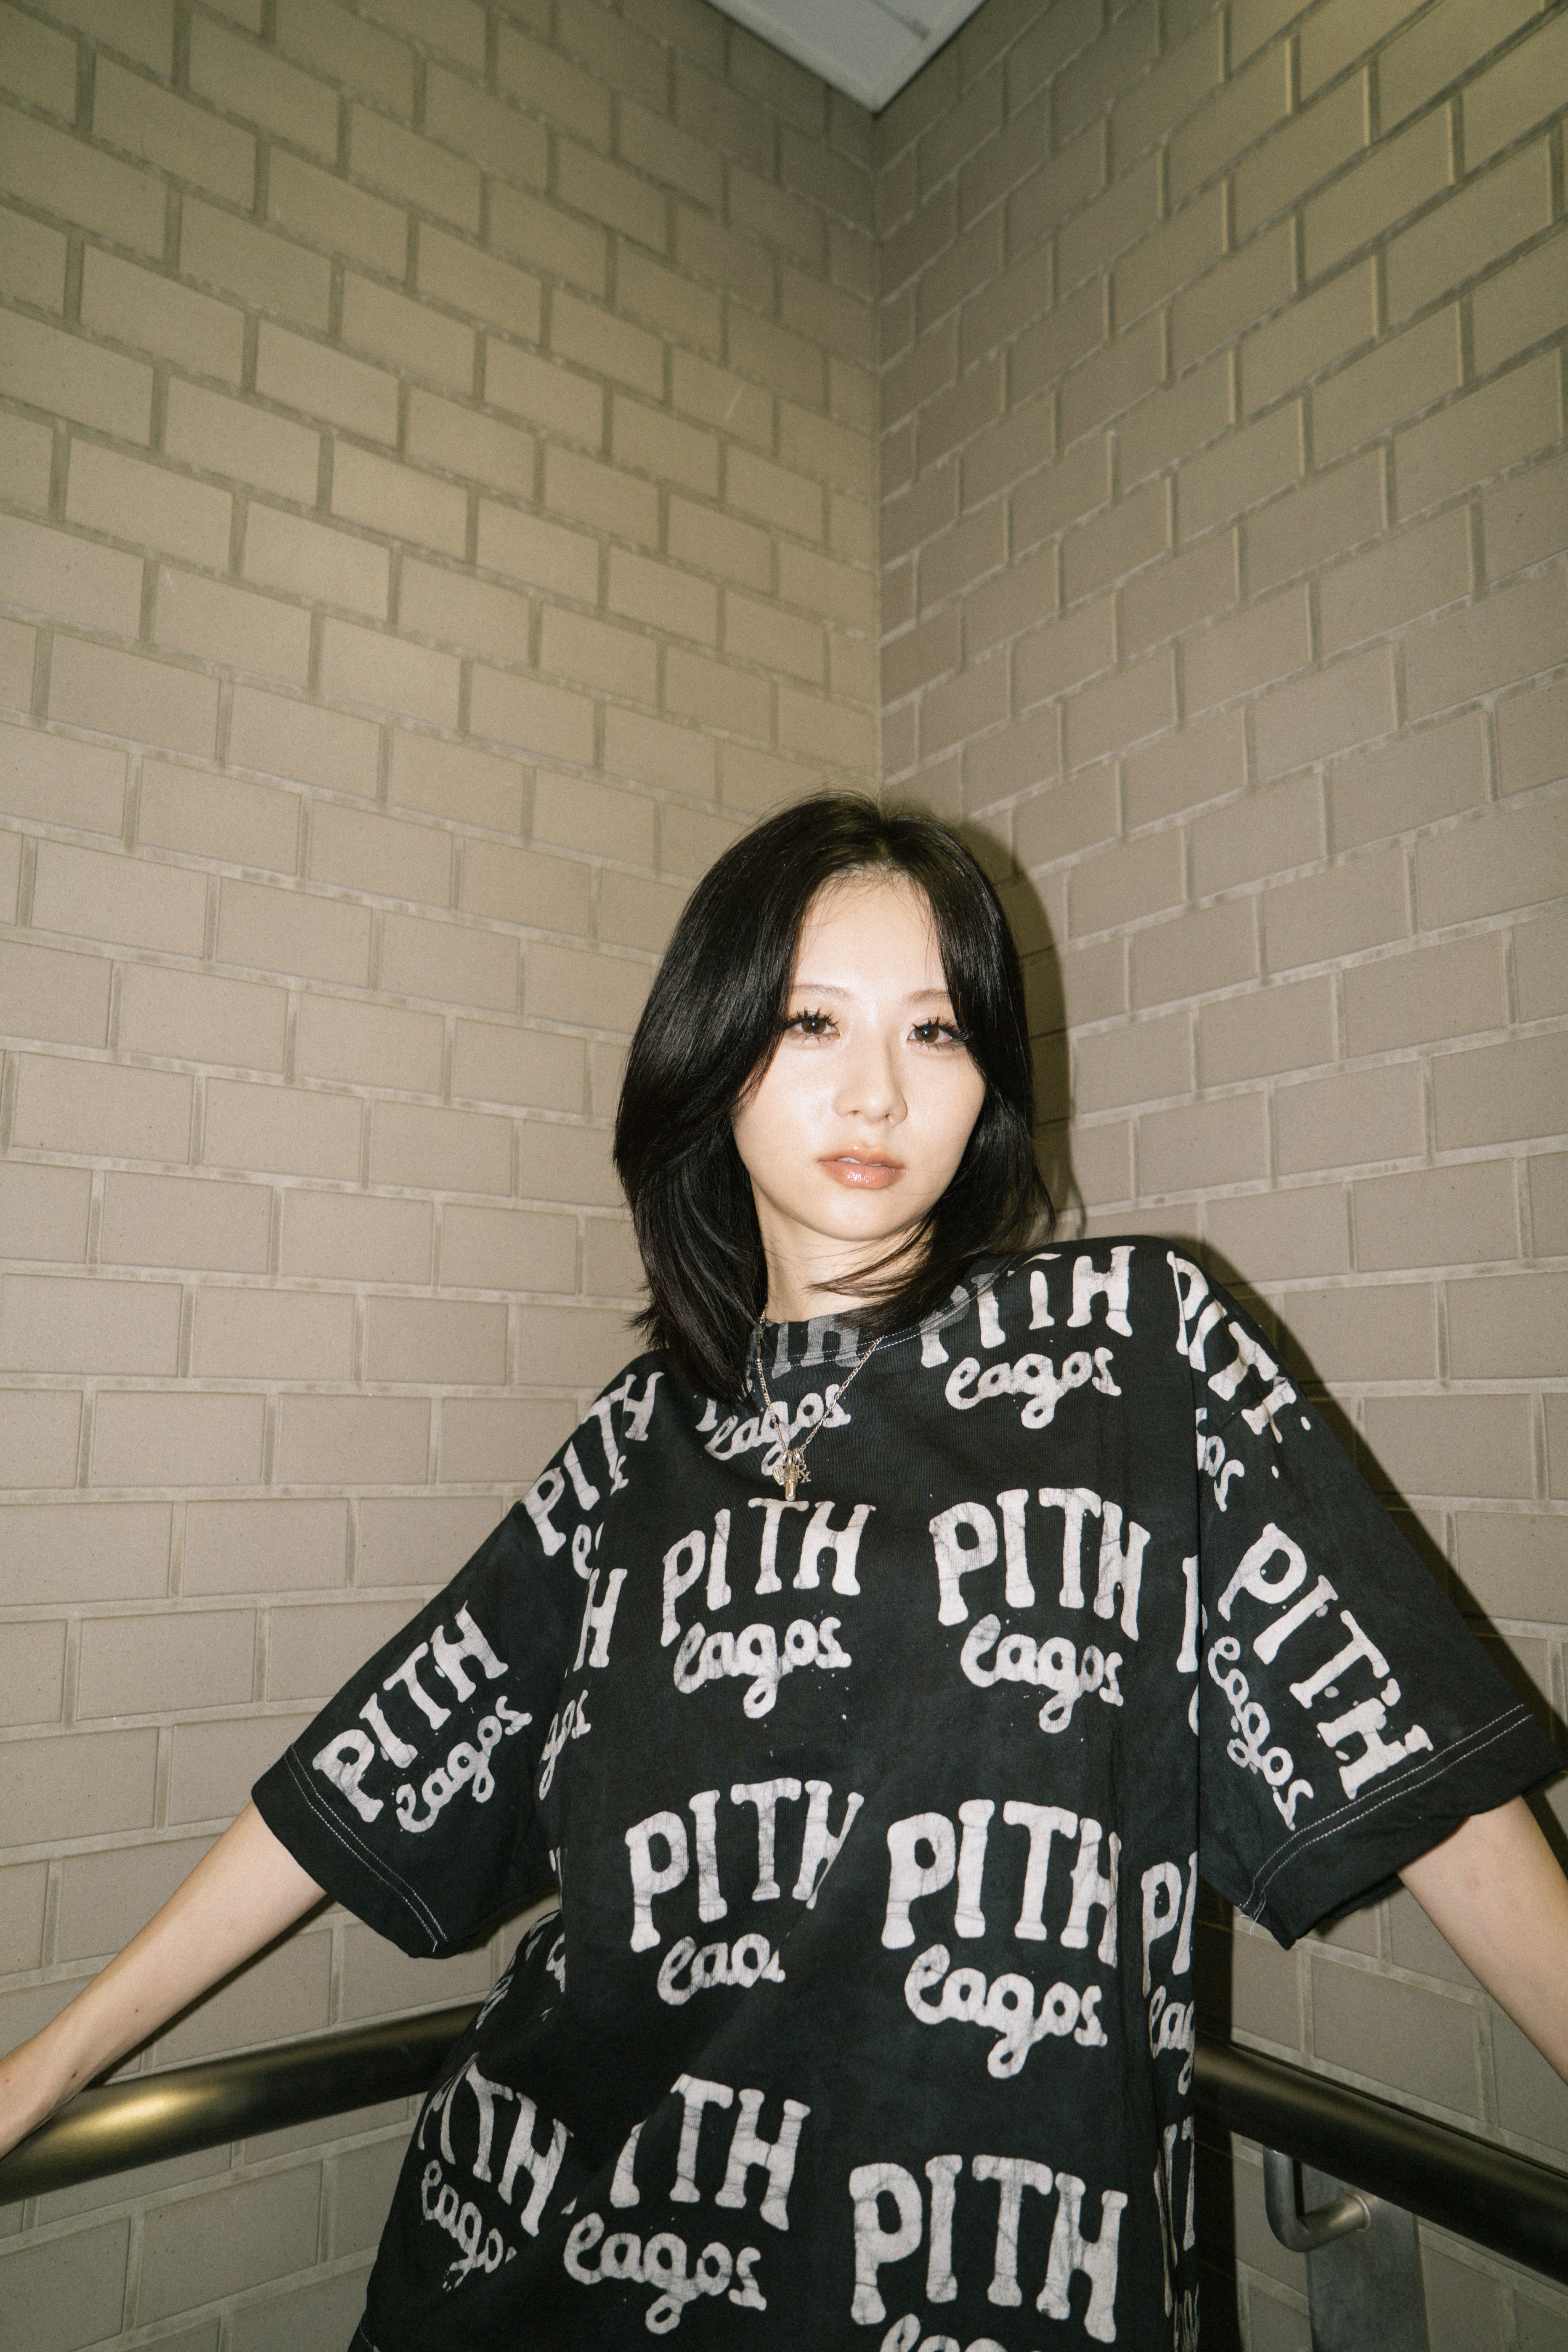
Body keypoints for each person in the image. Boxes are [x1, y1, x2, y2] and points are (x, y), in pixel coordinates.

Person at [2, 794, 1564, 2351]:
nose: (877, 1089)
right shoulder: (638, 1444)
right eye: (813, 1021)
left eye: (936, 1030)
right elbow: (370, 1767)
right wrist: (46, 2068)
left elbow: (1412, 1755)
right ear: (714, 1052)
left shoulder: (1136, 1351)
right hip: (543, 2272)